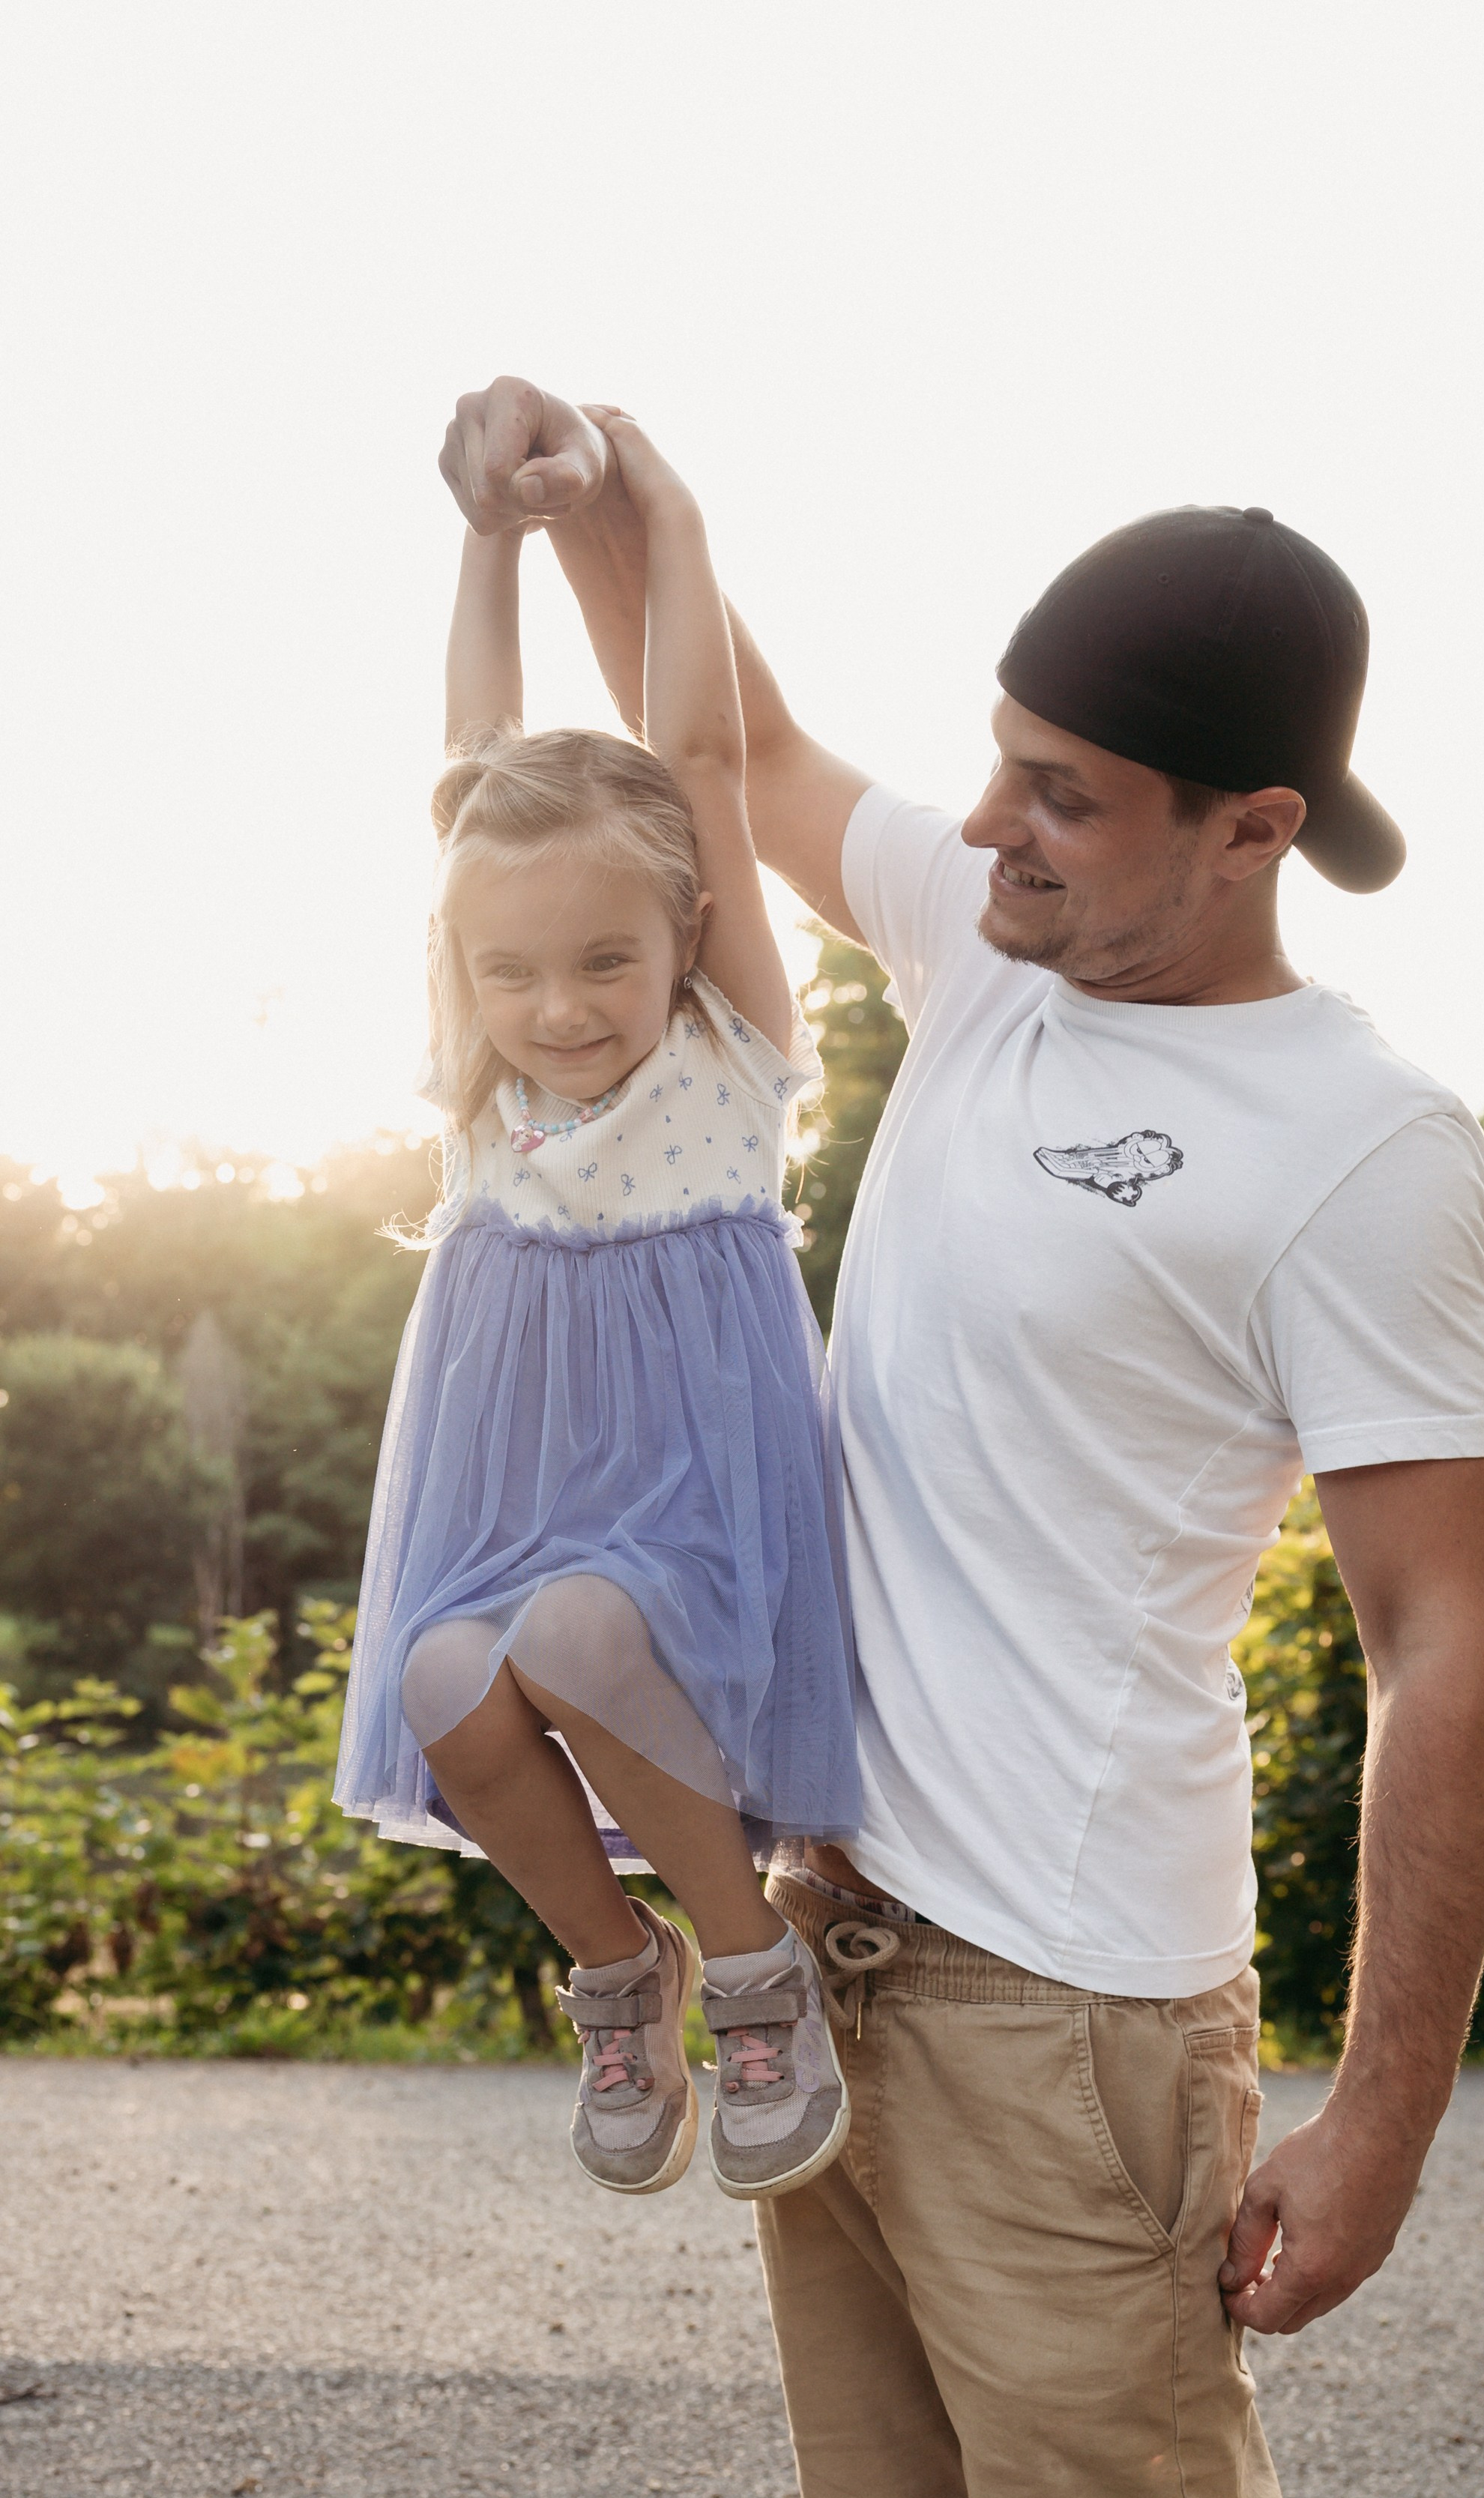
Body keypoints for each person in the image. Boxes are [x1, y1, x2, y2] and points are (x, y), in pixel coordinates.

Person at [441, 380, 1484, 2498]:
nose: (987, 819)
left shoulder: (1354, 1140)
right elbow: (722, 760)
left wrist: (1378, 2114)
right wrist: (609, 513)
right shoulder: (987, 937)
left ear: (1245, 827)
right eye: (997, 754)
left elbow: (1440, 1641)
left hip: (1074, 2005)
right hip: (816, 1939)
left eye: (1060, 792)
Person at [335, 408, 862, 2205]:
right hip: (506, 1478)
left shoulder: (727, 1048)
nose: (558, 1006)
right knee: (440, 1678)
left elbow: (703, 750)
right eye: (514, 968)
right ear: (462, 964)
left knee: (571, 1632)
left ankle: (761, 1969)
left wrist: (676, 523)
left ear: (688, 930)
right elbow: (471, 759)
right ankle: (625, 1974)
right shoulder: (484, 1078)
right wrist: (486, 537)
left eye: (605, 961)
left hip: (687, 1496)